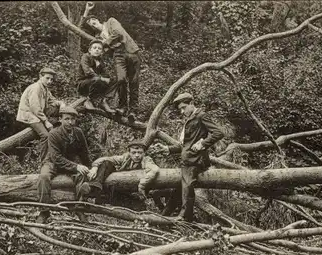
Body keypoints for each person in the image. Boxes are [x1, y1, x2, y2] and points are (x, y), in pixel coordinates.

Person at [154, 93, 224, 222]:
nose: (182, 111)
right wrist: (167, 149)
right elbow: (186, 145)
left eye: (184, 107)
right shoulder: (189, 119)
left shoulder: (201, 116)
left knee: (187, 186)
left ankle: (185, 217)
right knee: (179, 188)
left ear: (192, 103)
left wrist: (203, 143)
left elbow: (219, 132)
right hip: (188, 159)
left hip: (195, 160)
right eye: (180, 109)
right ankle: (165, 215)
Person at [36, 105, 92, 224]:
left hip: (70, 161)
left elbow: (84, 153)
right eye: (67, 119)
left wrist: (89, 168)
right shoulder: (54, 134)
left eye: (73, 119)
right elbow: (56, 158)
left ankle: (79, 209)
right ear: (60, 119)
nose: (70, 122)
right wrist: (76, 166)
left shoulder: (78, 132)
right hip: (52, 162)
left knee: (82, 176)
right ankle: (44, 211)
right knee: (43, 177)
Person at [83, 13, 140, 123]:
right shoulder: (97, 38)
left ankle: (133, 111)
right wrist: (86, 12)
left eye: (93, 23)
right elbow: (80, 30)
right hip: (118, 55)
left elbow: (118, 33)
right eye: (91, 26)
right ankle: (123, 107)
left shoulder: (111, 21)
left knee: (134, 82)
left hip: (131, 51)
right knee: (121, 79)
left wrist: (104, 43)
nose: (93, 26)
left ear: (97, 19)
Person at [16, 67, 62, 162]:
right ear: (40, 77)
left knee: (57, 116)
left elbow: (52, 100)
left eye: (52, 79)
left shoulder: (45, 88)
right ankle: (44, 161)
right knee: (45, 136)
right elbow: (35, 108)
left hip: (37, 114)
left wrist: (61, 103)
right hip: (29, 115)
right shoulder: (36, 88)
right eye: (47, 78)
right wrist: (46, 122)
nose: (50, 81)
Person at [86, 140, 160, 200]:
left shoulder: (146, 160)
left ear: (144, 153)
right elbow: (106, 159)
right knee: (107, 163)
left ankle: (100, 194)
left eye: (140, 153)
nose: (137, 155)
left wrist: (142, 185)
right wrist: (95, 167)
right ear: (129, 153)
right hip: (118, 185)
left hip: (133, 190)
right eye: (133, 153)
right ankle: (94, 187)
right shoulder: (125, 158)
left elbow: (155, 169)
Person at [76, 39, 118, 115]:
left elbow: (106, 75)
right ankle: (88, 100)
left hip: (95, 83)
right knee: (97, 79)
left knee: (115, 80)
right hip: (83, 85)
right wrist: (101, 78)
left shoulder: (100, 61)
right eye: (94, 48)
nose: (97, 50)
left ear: (102, 52)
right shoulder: (85, 57)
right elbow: (87, 72)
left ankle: (104, 101)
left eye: (99, 49)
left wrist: (105, 78)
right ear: (90, 50)